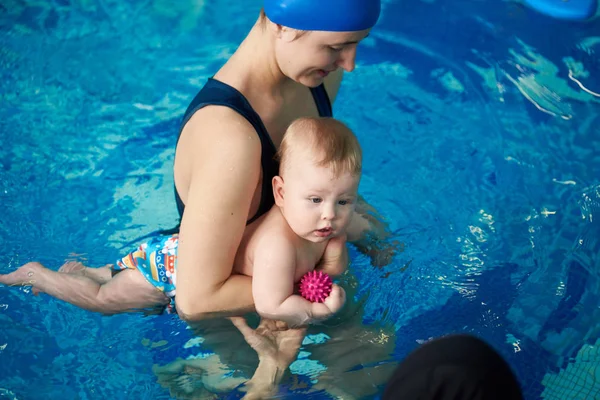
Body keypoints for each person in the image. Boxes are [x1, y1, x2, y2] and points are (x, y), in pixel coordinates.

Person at [0, 117, 361, 323]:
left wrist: (331, 261)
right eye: (315, 200)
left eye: (343, 201)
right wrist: (318, 310)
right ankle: (38, 275)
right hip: (170, 271)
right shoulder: (277, 246)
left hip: (177, 248)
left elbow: (323, 267)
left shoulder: (321, 229)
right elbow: (273, 305)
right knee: (103, 300)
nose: (330, 214)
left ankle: (89, 270)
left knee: (115, 275)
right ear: (280, 193)